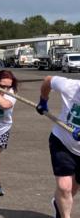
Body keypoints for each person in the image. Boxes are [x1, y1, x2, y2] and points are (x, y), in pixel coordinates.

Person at [35, 75, 80, 217]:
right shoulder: (69, 86)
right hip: (62, 142)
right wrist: (43, 100)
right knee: (64, 187)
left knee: (73, 188)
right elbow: (48, 80)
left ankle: (58, 203)